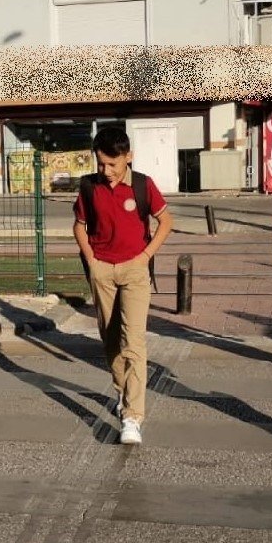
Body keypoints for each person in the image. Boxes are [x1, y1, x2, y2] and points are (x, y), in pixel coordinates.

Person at [73, 126, 173, 446]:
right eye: (101, 163)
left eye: (113, 164)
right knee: (110, 340)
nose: (107, 171)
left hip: (134, 270)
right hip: (102, 270)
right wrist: (91, 260)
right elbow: (79, 226)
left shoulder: (143, 185)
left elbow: (166, 221)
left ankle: (132, 416)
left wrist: (145, 255)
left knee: (134, 343)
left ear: (128, 157)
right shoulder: (90, 187)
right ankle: (122, 392)